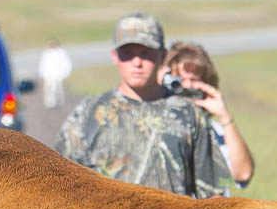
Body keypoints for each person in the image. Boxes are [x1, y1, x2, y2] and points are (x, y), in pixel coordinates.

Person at [55, 13, 232, 198]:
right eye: (127, 54)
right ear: (115, 56)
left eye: (146, 54)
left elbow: (214, 196)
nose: (137, 62)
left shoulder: (188, 115)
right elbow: (59, 182)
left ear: (162, 56)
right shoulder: (88, 112)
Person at [159, 41, 254, 188]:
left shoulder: (216, 132)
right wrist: (156, 92)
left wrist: (225, 118)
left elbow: (243, 174)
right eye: (178, 80)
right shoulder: (151, 126)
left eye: (194, 80)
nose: (187, 86)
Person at [38, 38, 72, 109]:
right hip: (48, 75)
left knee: (58, 89)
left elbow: (66, 64)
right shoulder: (46, 53)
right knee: (48, 90)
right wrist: (42, 73)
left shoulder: (61, 53)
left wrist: (65, 73)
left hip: (58, 75)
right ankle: (50, 103)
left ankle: (59, 102)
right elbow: (42, 64)